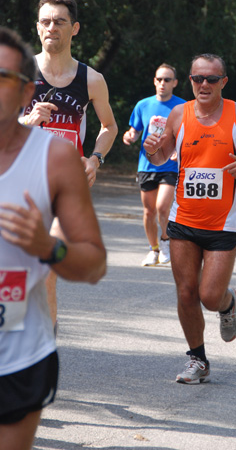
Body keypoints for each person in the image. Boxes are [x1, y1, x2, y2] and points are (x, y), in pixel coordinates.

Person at [0, 27, 106, 450]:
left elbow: (93, 263)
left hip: (19, 355)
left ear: (26, 90)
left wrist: (49, 248)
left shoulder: (54, 158)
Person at [143, 53, 236, 384]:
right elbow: (160, 157)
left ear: (222, 82)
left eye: (211, 79)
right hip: (183, 219)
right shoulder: (178, 114)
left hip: (223, 224)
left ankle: (228, 305)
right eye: (197, 78)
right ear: (189, 81)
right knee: (186, 292)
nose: (203, 84)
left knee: (209, 296)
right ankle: (197, 359)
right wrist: (150, 148)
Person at [23, 0, 117, 326]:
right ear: (37, 28)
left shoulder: (91, 80)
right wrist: (26, 122)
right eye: (46, 22)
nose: (52, 28)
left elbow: (109, 126)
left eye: (60, 22)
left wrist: (94, 159)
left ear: (74, 28)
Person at [123, 64, 186, 266]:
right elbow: (135, 130)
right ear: (154, 81)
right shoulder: (143, 105)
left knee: (162, 207)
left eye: (167, 80)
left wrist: (179, 149)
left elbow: (188, 135)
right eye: (159, 79)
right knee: (149, 211)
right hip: (147, 165)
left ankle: (166, 241)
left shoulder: (182, 107)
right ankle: (153, 249)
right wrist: (130, 136)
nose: (162, 83)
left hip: (170, 165)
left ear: (175, 83)